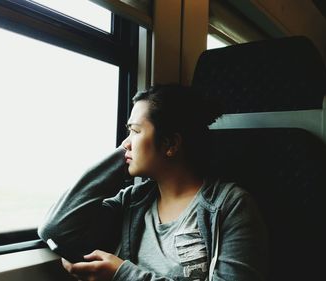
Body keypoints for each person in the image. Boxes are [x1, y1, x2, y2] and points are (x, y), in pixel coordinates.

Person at [38, 84, 268, 281]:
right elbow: (56, 229)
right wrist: (122, 159)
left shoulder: (230, 206)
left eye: (136, 132)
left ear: (171, 144)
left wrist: (122, 275)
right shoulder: (133, 201)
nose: (125, 143)